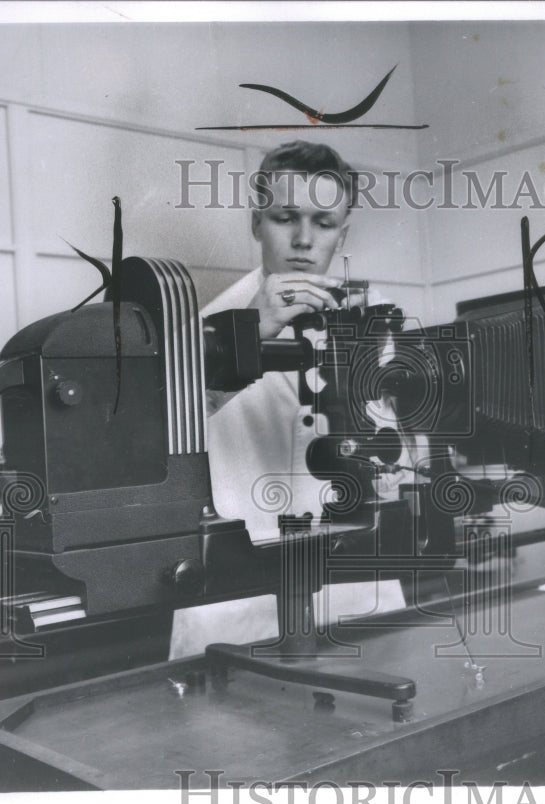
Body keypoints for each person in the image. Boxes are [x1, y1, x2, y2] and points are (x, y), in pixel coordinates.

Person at [169, 142, 409, 658]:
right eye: (285, 218)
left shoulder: (381, 320)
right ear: (256, 223)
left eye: (323, 223)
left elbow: (405, 443)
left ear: (342, 233)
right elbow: (156, 439)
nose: (303, 240)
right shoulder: (196, 331)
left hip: (356, 587)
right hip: (239, 603)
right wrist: (249, 335)